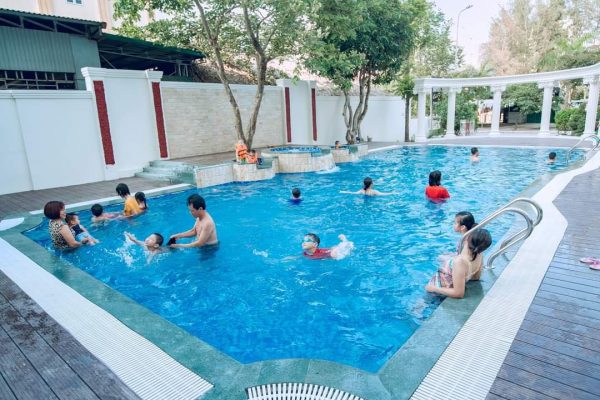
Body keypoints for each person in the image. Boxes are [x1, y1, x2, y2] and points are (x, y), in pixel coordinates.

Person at [425, 229, 493, 298]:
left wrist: (434, 288)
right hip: (445, 288)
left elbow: (458, 293)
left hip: (437, 294)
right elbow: (476, 277)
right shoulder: (479, 255)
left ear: (467, 239)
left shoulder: (459, 262)